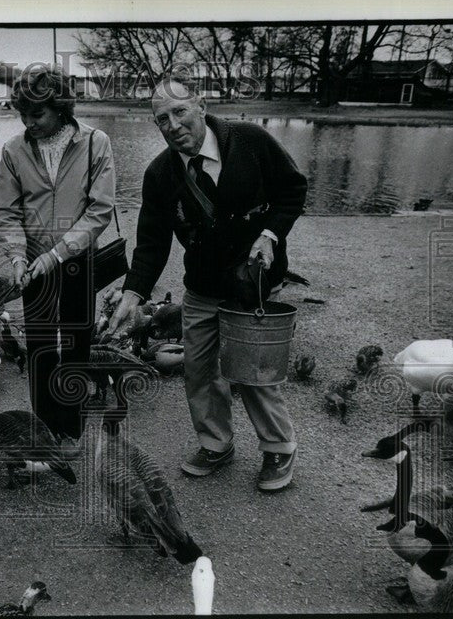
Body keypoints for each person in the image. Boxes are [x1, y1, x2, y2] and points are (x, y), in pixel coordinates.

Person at [105, 74, 307, 491]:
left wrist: (269, 234)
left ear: (200, 104)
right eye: (162, 119)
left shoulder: (251, 141)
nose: (173, 125)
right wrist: (132, 292)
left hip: (252, 281)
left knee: (249, 370)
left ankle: (279, 449)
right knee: (197, 369)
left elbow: (293, 189)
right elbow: (153, 241)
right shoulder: (160, 174)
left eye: (180, 112)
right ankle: (216, 443)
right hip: (201, 285)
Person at [0, 65, 116, 455]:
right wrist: (15, 257)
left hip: (77, 259)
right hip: (30, 265)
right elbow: (6, 212)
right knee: (40, 346)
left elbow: (100, 210)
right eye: (23, 115)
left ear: (60, 108)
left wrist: (57, 254)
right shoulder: (13, 150)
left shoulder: (97, 143)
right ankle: (44, 429)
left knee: (76, 342)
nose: (29, 123)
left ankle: (72, 429)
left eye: (37, 114)